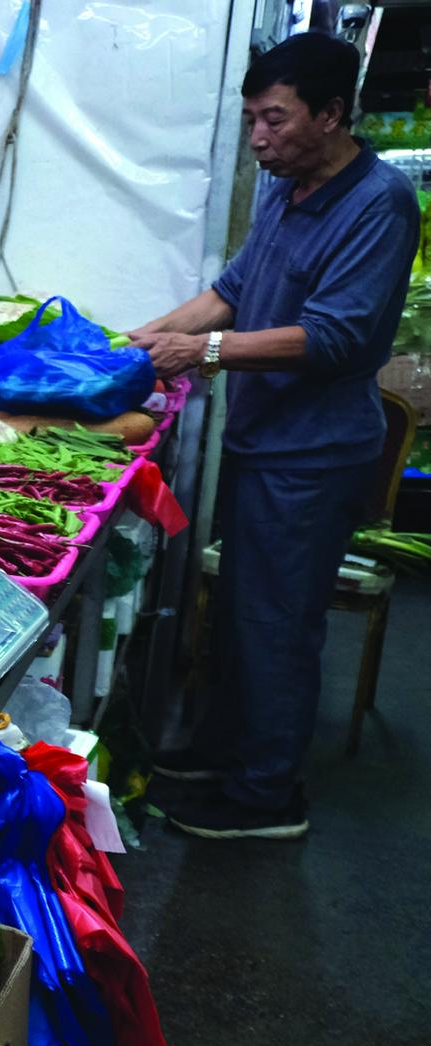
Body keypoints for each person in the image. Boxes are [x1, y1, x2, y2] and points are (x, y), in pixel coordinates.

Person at [128, 33, 420, 840]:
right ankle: (226, 753)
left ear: (330, 115)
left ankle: (267, 797)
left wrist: (203, 353)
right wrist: (139, 339)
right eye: (251, 119)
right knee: (239, 612)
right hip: (264, 443)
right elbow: (232, 290)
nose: (258, 139)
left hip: (315, 455)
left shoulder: (379, 203)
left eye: (275, 120)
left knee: (279, 619)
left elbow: (336, 337)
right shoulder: (283, 187)